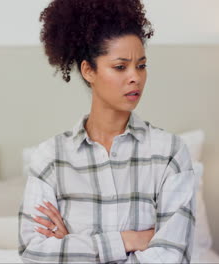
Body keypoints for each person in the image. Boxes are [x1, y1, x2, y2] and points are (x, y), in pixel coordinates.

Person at [19, 0, 195, 263]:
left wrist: (73, 248)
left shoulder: (169, 153)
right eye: (120, 67)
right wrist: (127, 240)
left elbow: (172, 255)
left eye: (141, 65)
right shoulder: (51, 158)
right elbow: (33, 252)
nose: (135, 77)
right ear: (88, 70)